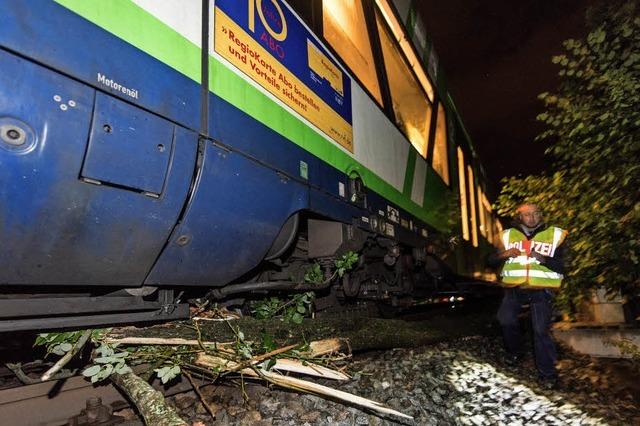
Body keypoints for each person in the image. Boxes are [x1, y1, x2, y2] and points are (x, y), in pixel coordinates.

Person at [488, 203, 567, 389]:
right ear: (520, 217)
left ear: (541, 215)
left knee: (540, 330)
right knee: (505, 319)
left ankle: (548, 374)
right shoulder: (507, 236)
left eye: (535, 214)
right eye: (527, 215)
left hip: (541, 289)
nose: (531, 218)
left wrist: (545, 259)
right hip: (515, 288)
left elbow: (564, 266)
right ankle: (516, 352)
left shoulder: (554, 236)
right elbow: (489, 260)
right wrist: (503, 255)